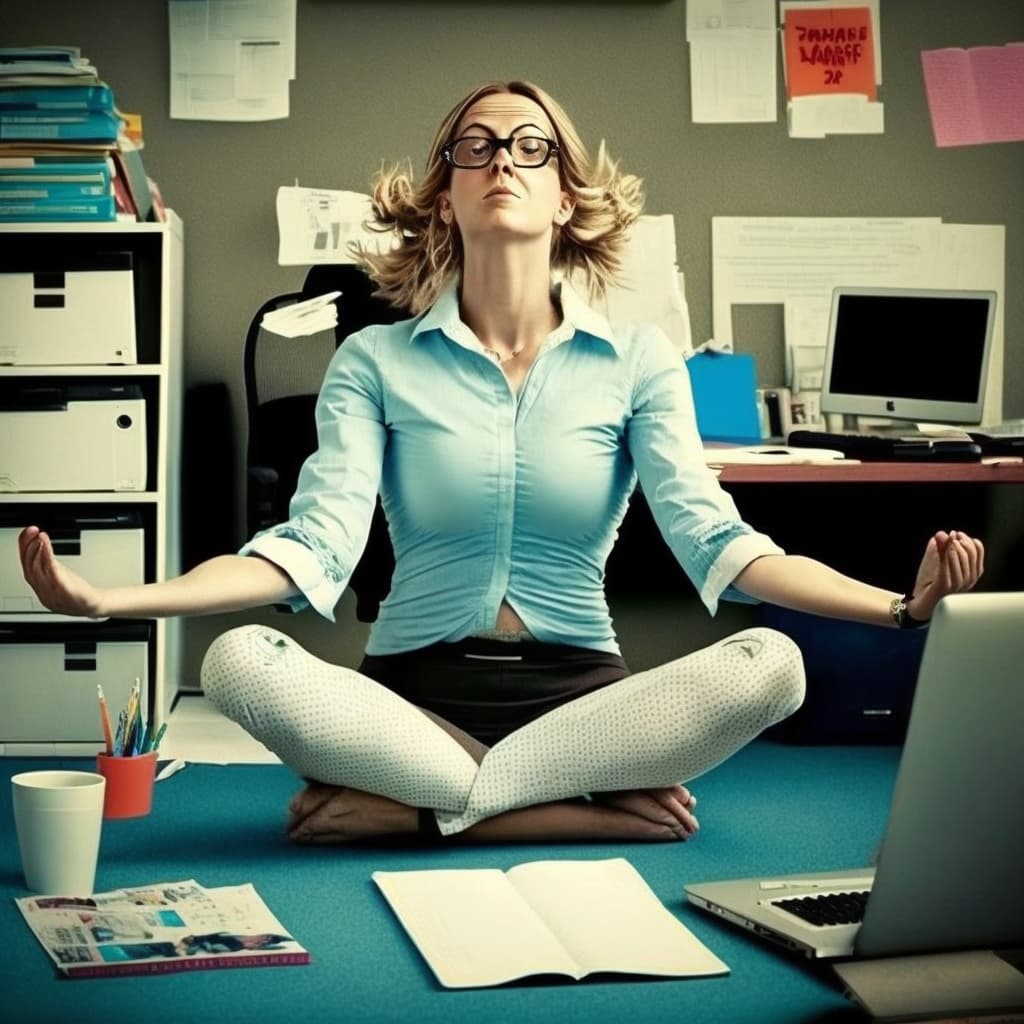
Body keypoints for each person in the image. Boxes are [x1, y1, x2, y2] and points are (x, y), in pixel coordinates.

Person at [18, 80, 984, 847]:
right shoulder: (374, 361)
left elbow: (722, 546)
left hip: (581, 704)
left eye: (533, 147)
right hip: (409, 701)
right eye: (474, 146)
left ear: (566, 194)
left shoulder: (639, 359)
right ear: (445, 190)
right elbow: (307, 548)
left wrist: (900, 609)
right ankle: (559, 809)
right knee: (239, 662)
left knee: (773, 664)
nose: (502, 161)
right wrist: (117, 601)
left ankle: (438, 809)